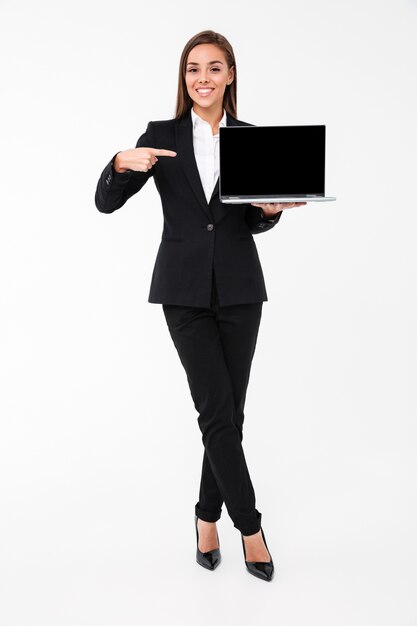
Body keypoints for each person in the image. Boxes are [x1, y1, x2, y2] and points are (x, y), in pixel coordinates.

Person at [95, 29, 306, 582]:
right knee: (216, 413)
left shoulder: (252, 139)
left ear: (230, 75)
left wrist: (271, 211)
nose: (203, 79)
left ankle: (205, 518)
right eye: (193, 69)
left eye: (214, 68)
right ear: (183, 77)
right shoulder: (160, 136)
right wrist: (119, 163)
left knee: (228, 417)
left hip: (240, 292)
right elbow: (105, 204)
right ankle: (251, 528)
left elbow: (251, 220)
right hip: (183, 292)